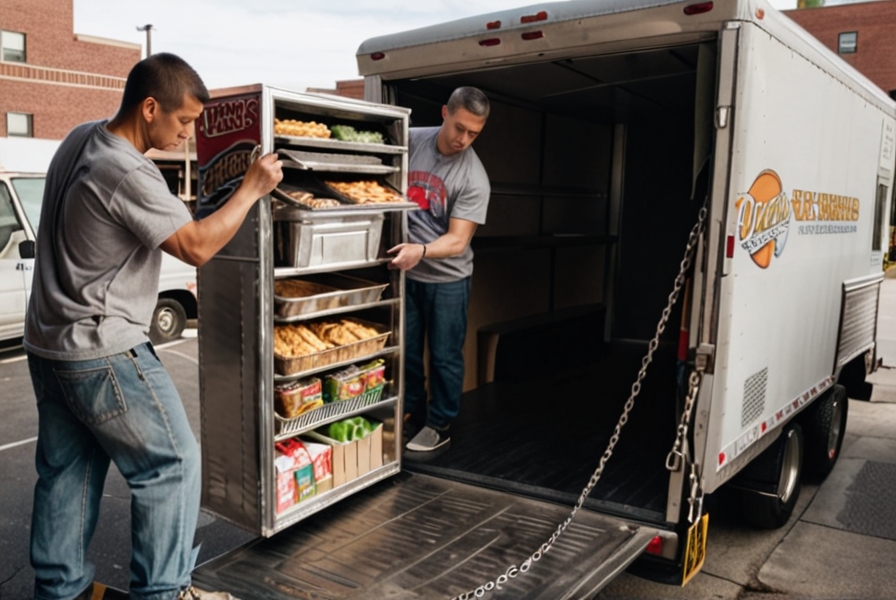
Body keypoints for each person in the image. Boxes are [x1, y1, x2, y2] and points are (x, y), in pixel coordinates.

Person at [24, 53, 282, 600]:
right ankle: (166, 592)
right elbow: (196, 247)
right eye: (183, 121)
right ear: (149, 108)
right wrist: (252, 189)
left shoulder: (79, 138)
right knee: (173, 465)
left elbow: (140, 217)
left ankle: (58, 591)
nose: (187, 133)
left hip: (50, 345)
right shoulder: (128, 169)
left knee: (67, 474)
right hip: (103, 348)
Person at [388, 87, 490, 452]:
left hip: (448, 279)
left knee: (445, 355)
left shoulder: (474, 177)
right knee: (408, 350)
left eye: (474, 133)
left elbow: (458, 241)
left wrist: (422, 250)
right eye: (459, 127)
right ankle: (411, 409)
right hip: (407, 272)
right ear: (445, 112)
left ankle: (440, 421)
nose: (463, 139)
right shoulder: (413, 140)